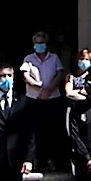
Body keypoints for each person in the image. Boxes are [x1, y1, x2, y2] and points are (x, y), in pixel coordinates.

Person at [20, 31, 67, 171]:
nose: (39, 45)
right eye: (37, 43)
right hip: (34, 99)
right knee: (33, 131)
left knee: (51, 131)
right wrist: (38, 87)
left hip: (52, 99)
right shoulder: (29, 58)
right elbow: (25, 75)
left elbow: (59, 74)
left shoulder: (54, 58)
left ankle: (51, 161)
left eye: (42, 42)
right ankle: (32, 160)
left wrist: (49, 90)